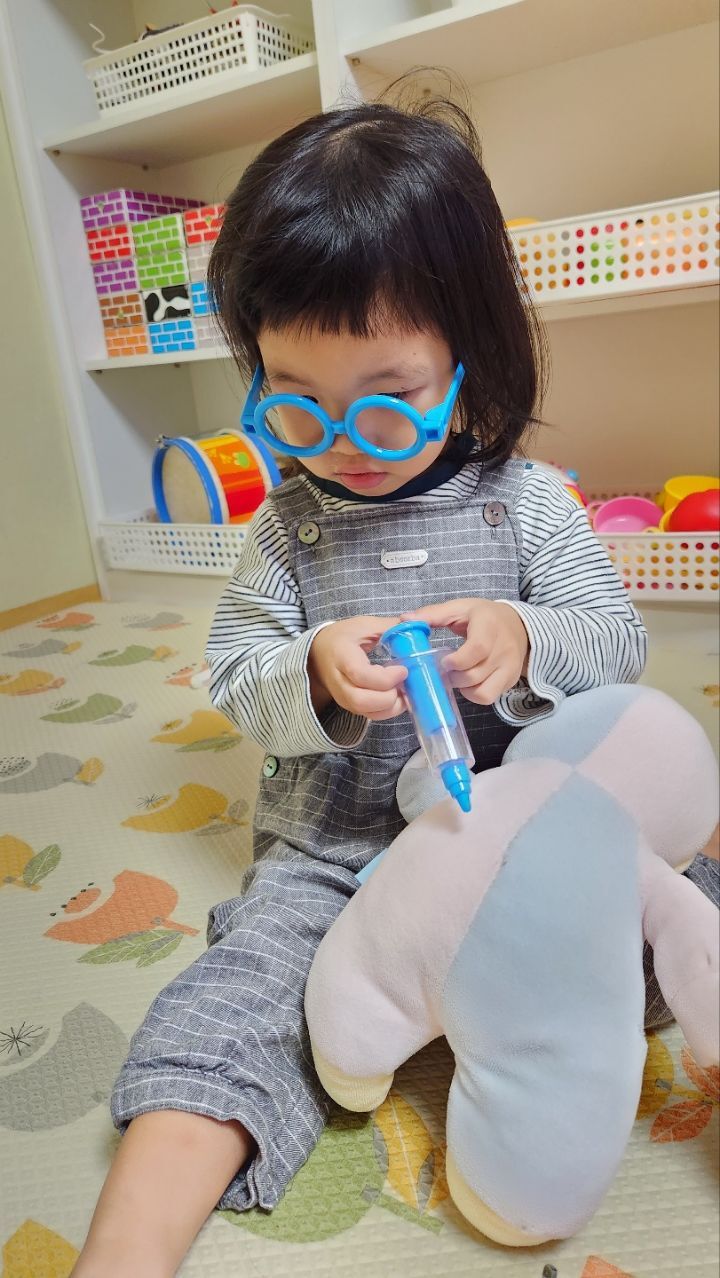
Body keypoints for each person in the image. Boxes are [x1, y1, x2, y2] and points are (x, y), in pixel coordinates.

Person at [72, 90, 719, 1278]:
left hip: (519, 832)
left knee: (675, 896)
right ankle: (127, 1246)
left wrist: (527, 635)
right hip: (341, 848)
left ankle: (510, 1008)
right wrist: (311, 673)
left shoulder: (530, 503)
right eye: (293, 403)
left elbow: (614, 640)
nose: (340, 439)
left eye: (388, 398)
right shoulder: (284, 532)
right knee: (243, 993)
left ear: (474, 361)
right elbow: (237, 676)